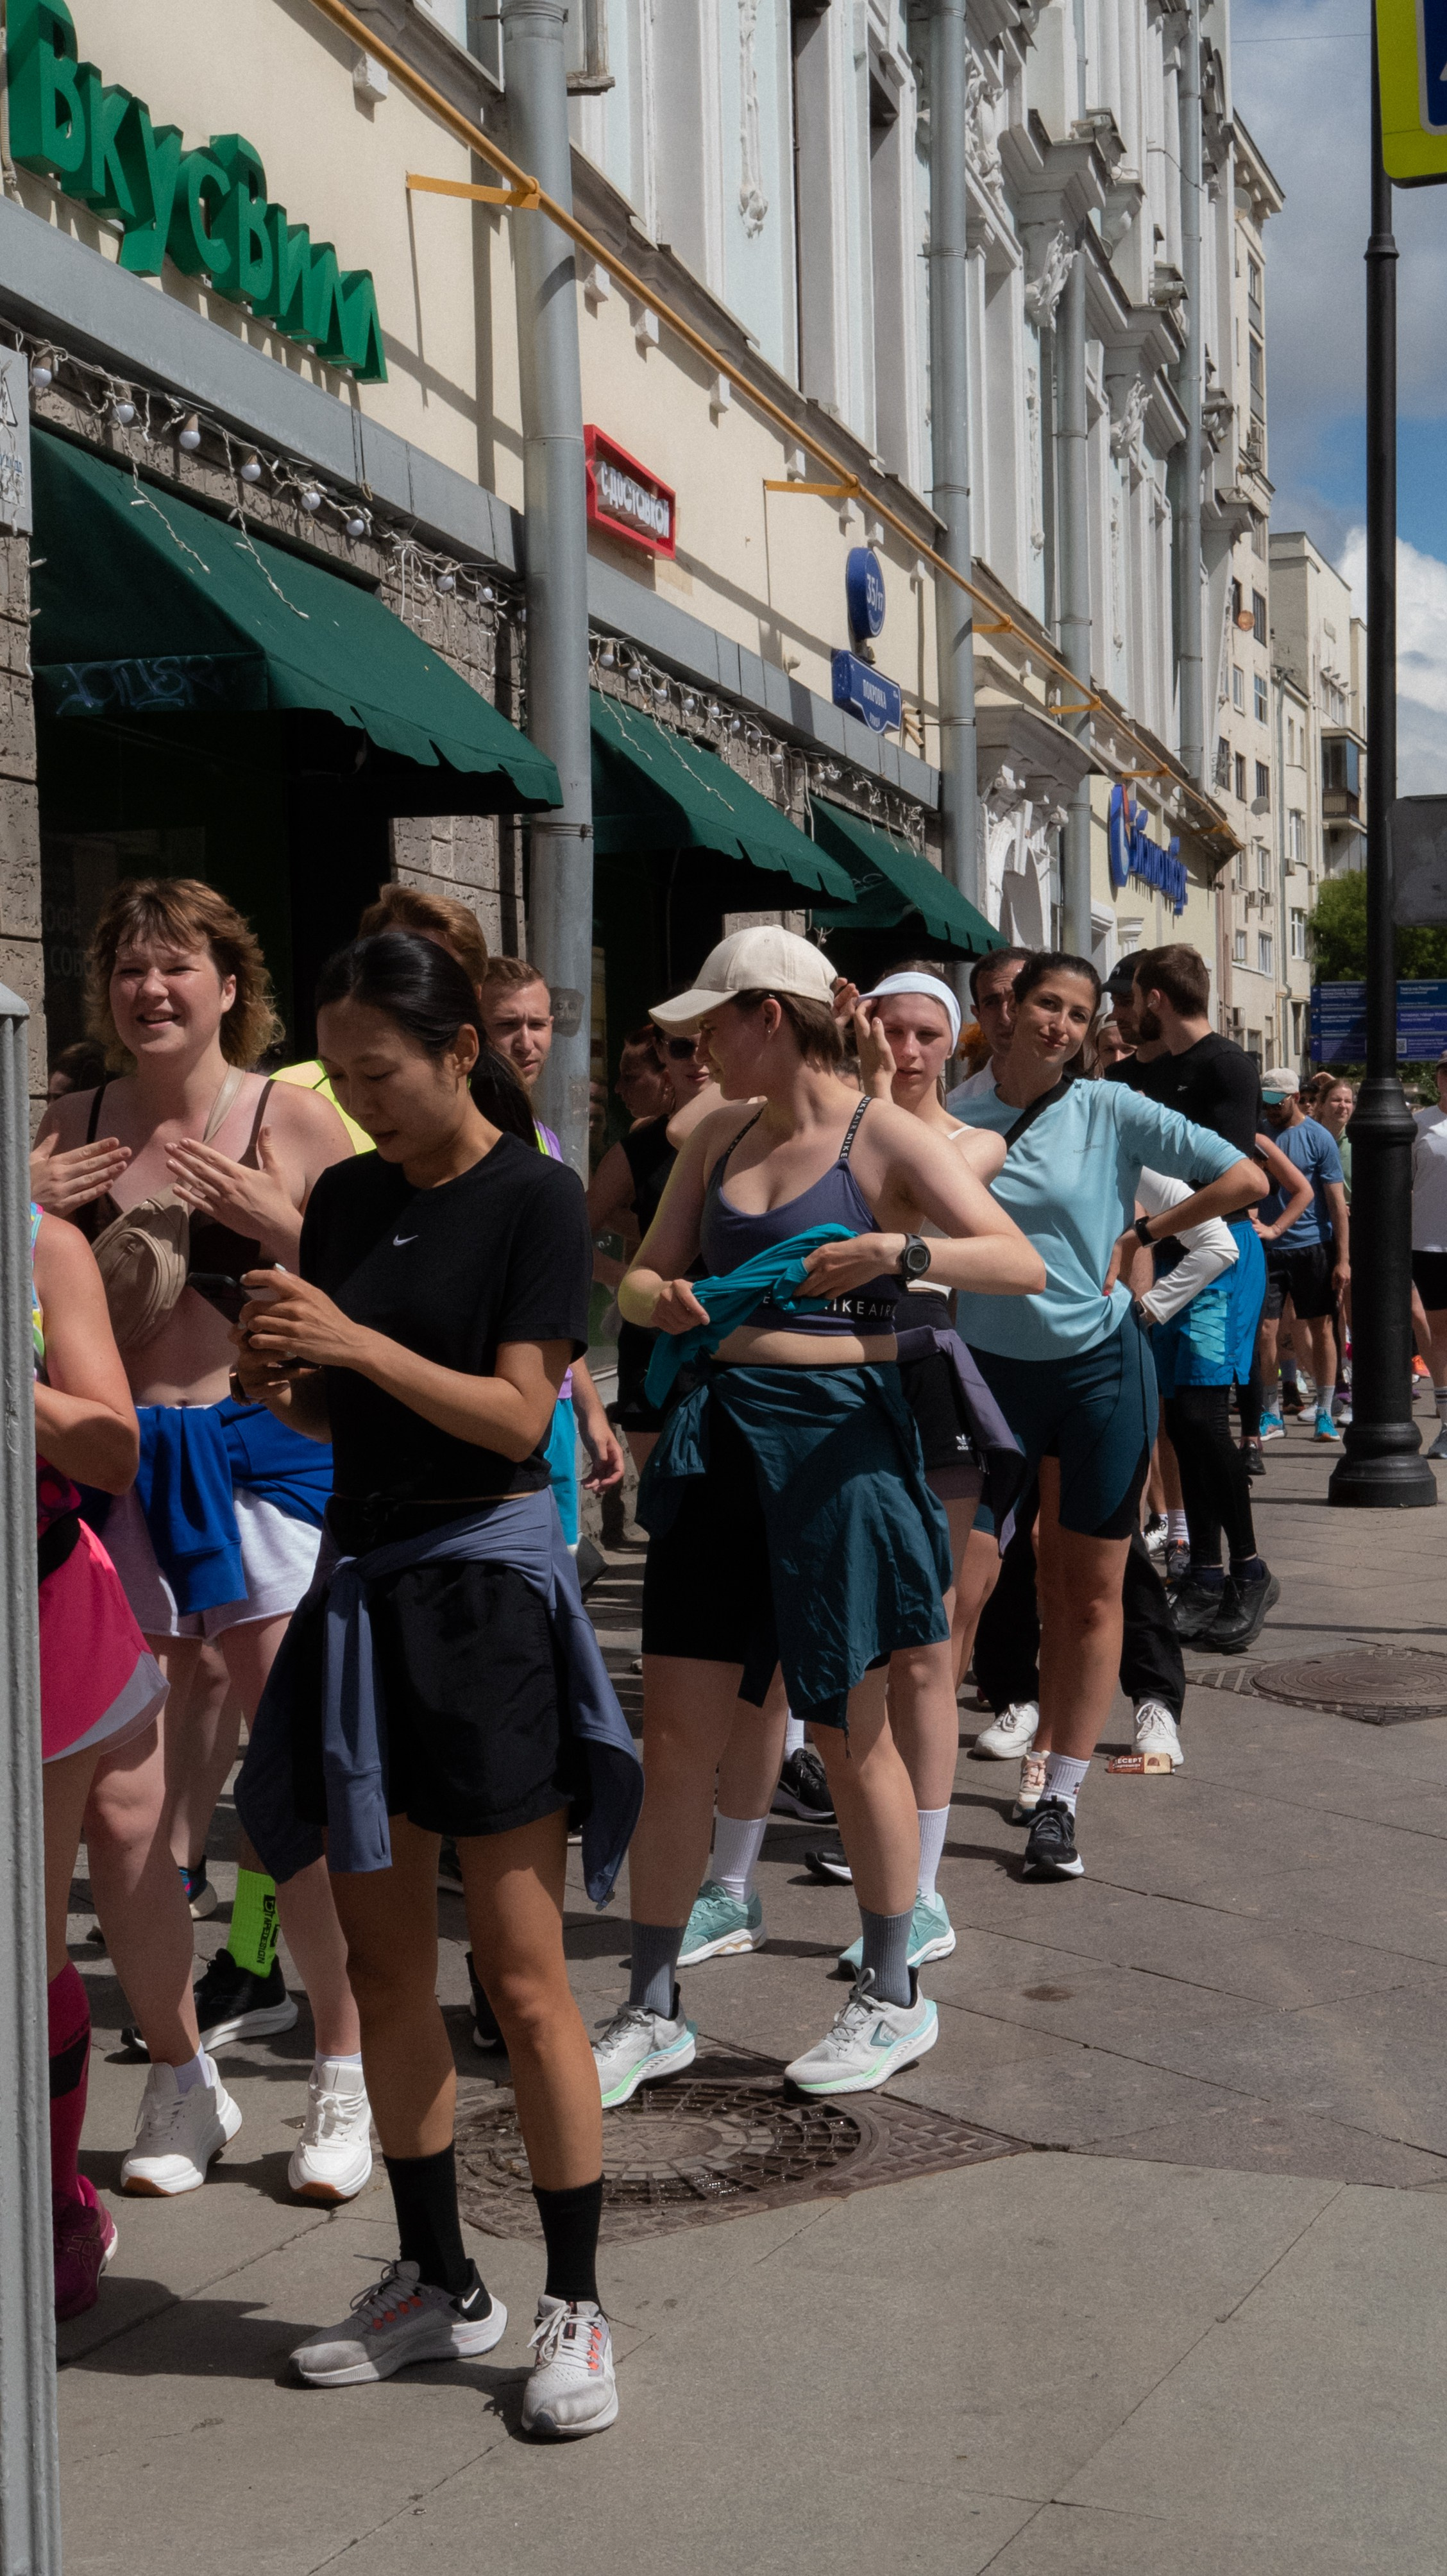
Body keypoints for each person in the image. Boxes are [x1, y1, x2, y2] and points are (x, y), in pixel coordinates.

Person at [231, 930, 639, 2436]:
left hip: (483, 1596)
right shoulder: (347, 1195)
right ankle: (434, 2276)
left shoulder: (535, 1196)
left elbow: (519, 1416)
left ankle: (576, 2301)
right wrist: (286, 1378)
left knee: (523, 1974)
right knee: (388, 1964)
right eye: (340, 1076)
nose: (359, 1101)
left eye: (380, 1072)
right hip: (363, 1585)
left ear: (461, 1050)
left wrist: (350, 1339)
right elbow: (349, 1413)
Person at [599, 925, 1044, 2099]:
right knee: (675, 1740)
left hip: (842, 1444)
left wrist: (899, 1250)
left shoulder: (879, 1133)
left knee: (850, 1734)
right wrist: (663, 1296)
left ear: (770, 1017)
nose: (696, 1048)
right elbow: (638, 1276)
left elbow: (1019, 1263)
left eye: (712, 1025)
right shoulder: (714, 1132)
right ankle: (651, 2006)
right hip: (720, 1437)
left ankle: (893, 1994)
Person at [32, 879, 370, 2204]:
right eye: (129, 967)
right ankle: (182, 2077)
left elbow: (387, 1282)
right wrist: (23, 1191)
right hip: (113, 1477)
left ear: (233, 985)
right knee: (133, 1820)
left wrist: (285, 1221)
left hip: (266, 1461)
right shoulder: (69, 1121)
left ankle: (340, 2063)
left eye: (177, 966)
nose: (150, 989)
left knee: (298, 1783)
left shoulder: (288, 1115)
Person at [949, 952, 1265, 1881]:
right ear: (1008, 1010)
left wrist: (1144, 1232)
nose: (1060, 1023)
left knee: (1086, 1591)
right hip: (985, 1376)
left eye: (1080, 1012)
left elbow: (1246, 1181)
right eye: (1046, 1003)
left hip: (1097, 1371)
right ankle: (909, 1816)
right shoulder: (953, 1116)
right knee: (955, 1592)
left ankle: (1058, 1798)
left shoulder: (1111, 1107)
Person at [31, 1203, 244, 2307]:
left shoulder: (39, 1243)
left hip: (42, 1609)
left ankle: (65, 2195)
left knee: (65, 1903)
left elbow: (112, 1451)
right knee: (121, 1838)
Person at [478, 957, 625, 1543]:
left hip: (554, 1401)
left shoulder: (545, 1140)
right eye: (506, 1025)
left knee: (558, 1562)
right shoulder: (457, 1142)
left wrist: (589, 1409)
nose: (526, 1042)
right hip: (493, 1400)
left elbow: (553, 1295)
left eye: (538, 1024)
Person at [1253, 1068, 1350, 1446]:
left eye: (1276, 1103)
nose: (1270, 1110)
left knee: (1321, 1327)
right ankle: (1270, 1411)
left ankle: (1324, 1409)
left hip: (1313, 1246)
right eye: (1265, 1103)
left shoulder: (1318, 1137)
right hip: (1267, 1247)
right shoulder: (1257, 1133)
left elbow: (1336, 1203)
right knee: (1266, 1331)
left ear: (1295, 1098)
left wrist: (1342, 1259)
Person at [944, 946, 1034, 1111]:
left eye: (1017, 999)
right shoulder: (955, 1110)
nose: (1005, 1017)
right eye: (992, 1003)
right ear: (978, 1015)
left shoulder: (1081, 1101)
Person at [1411, 1055, 1447, 1459]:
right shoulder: (1420, 1125)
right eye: (1445, 1073)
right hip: (1430, 1245)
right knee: (1439, 1338)